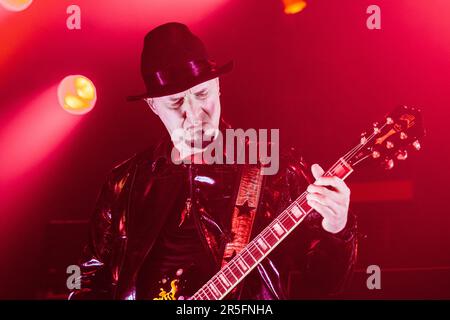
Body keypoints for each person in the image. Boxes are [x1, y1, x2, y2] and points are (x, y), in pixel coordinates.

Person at [69, 22, 357, 300]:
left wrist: (337, 226)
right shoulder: (125, 182)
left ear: (218, 86)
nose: (194, 113)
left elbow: (326, 282)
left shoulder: (273, 169)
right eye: (176, 102)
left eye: (201, 94)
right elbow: (89, 279)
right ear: (153, 106)